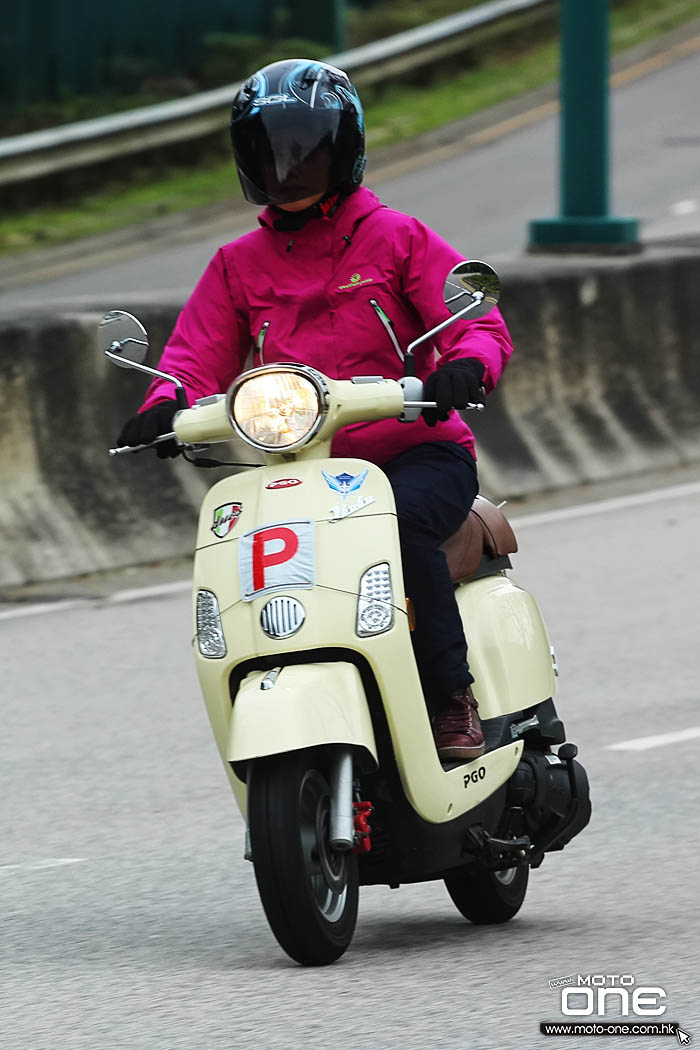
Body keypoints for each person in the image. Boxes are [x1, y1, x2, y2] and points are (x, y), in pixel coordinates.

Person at [117, 59, 514, 763]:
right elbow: (192, 355)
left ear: (345, 148)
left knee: (398, 530)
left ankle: (451, 698)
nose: (286, 164)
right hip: (300, 469)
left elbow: (473, 322)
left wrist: (465, 363)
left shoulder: (397, 237)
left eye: (305, 146)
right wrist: (164, 402)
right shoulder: (238, 263)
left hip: (416, 453)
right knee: (245, 555)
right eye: (268, 148)